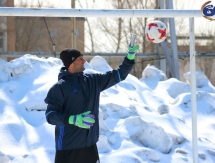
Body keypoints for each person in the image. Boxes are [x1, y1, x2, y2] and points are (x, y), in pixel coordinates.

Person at [44, 41, 139, 163]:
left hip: (90, 147)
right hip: (68, 149)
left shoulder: (93, 81)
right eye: (80, 58)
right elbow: (50, 115)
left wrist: (130, 56)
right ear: (71, 62)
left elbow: (119, 75)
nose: (84, 61)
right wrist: (73, 119)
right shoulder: (59, 88)